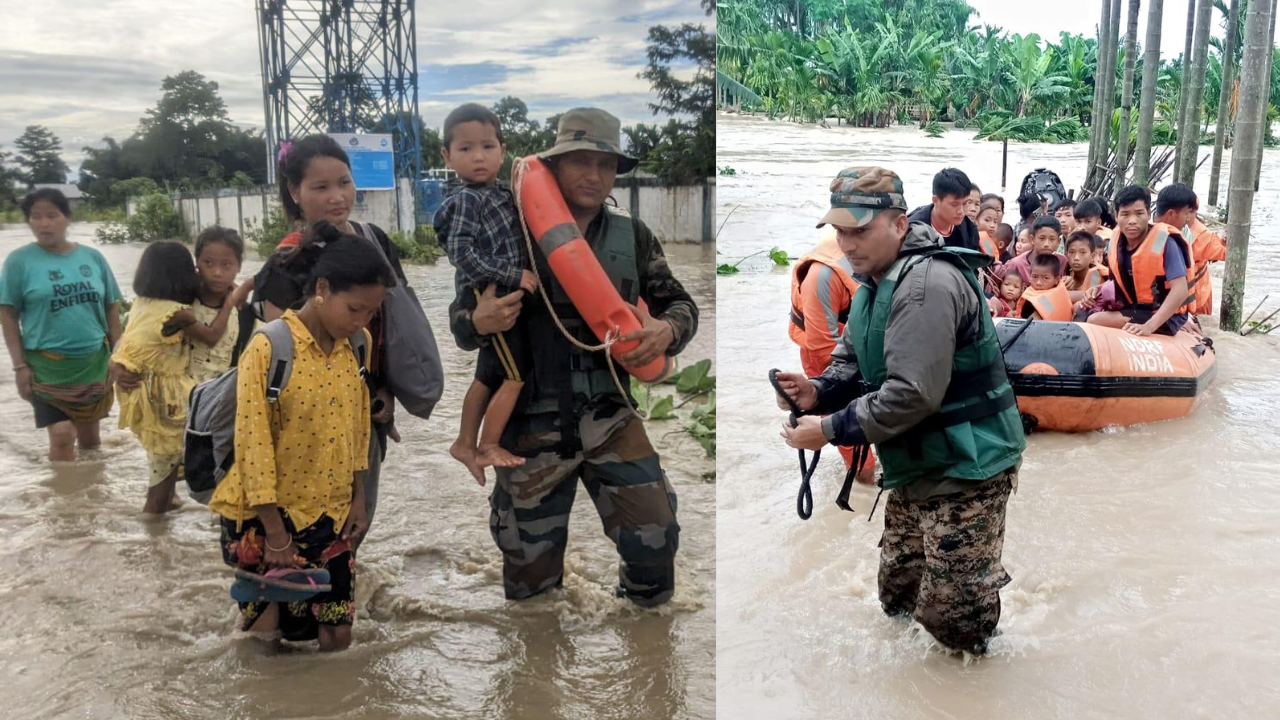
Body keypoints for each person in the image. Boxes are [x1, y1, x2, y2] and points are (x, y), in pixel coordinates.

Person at [448, 108, 696, 607]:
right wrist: (478, 321)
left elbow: (681, 304)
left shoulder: (633, 235)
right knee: (530, 584)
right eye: (580, 162)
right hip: (527, 423)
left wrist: (666, 330)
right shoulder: (507, 229)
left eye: (605, 165)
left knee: (655, 538)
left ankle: (646, 649)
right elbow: (460, 322)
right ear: (554, 165)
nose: (594, 175)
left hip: (610, 415)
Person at [774, 166, 1025, 655]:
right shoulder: (874, 278)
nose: (847, 244)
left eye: (860, 230)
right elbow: (850, 362)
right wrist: (816, 391)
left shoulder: (925, 285)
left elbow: (911, 394)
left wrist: (827, 429)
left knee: (955, 623)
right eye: (841, 232)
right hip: (916, 463)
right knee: (898, 595)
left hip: (967, 466)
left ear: (897, 224)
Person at [209, 225, 395, 652]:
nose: (361, 322)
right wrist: (274, 533)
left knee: (337, 633)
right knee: (265, 640)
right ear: (322, 289)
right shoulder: (269, 346)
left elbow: (357, 425)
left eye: (371, 313)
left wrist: (358, 497)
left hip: (331, 514)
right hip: (264, 517)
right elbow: (252, 444)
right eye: (354, 309)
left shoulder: (359, 345)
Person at [250, 134, 408, 537]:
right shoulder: (284, 267)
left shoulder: (375, 244)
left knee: (355, 525)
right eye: (321, 187)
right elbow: (278, 363)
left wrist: (385, 393)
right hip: (299, 430)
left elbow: (391, 329)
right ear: (294, 192)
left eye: (344, 182)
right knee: (300, 533)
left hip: (362, 415)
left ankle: (342, 596)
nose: (337, 197)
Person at [433, 103, 539, 484]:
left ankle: (464, 441)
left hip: (502, 295)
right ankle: (488, 443)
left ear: (502, 149)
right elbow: (462, 255)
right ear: (447, 155)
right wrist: (515, 274)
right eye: (465, 149)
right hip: (491, 295)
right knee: (514, 376)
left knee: (488, 374)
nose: (478, 156)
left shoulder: (502, 193)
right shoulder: (467, 199)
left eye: (487, 147)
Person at [1, 188, 122, 462]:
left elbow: (111, 305)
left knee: (91, 442)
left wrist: (119, 353)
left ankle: (89, 498)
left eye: (52, 216)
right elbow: (7, 315)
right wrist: (19, 366)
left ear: (67, 218)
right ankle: (62, 502)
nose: (43, 223)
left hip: (93, 364)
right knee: (63, 434)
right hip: (46, 368)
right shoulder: (18, 263)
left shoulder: (92, 258)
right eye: (36, 217)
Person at [112, 242, 202, 514]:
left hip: (145, 396)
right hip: (167, 401)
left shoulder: (142, 304)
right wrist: (235, 299)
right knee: (161, 481)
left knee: (163, 463)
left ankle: (168, 508)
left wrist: (113, 366)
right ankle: (153, 539)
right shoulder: (178, 313)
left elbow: (125, 344)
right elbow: (212, 335)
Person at [788, 231, 876, 484]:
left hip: (860, 351)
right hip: (826, 356)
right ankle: (862, 478)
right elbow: (823, 347)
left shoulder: (879, 260)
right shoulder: (821, 277)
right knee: (859, 456)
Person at [1085, 185, 1193, 337]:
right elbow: (1125, 281)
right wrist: (1098, 289)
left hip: (1164, 316)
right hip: (1137, 308)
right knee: (1083, 311)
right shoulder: (1116, 242)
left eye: (1139, 213)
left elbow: (1180, 290)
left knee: (1094, 320)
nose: (1132, 221)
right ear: (1116, 216)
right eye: (1125, 214)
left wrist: (1149, 326)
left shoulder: (1165, 242)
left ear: (1148, 213)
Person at [180, 227, 253, 383]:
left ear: (239, 266)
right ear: (197, 261)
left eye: (226, 265)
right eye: (209, 263)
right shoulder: (180, 301)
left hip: (219, 400)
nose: (217, 272)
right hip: (175, 399)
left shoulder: (245, 314)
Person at [1154, 184, 1225, 316]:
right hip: (1173, 305)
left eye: (1192, 212)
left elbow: (1226, 254)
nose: (1189, 217)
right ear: (1171, 213)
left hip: (1198, 297)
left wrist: (1227, 241)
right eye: (1188, 212)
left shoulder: (1201, 234)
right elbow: (1154, 262)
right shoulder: (1161, 234)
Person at [907, 168, 980, 251]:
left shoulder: (969, 230)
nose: (961, 211)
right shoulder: (913, 231)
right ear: (936, 201)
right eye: (954, 204)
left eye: (965, 203)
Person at [1000, 216, 1067, 286]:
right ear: (1032, 239)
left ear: (1059, 242)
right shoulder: (1016, 264)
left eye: (1052, 239)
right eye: (1042, 238)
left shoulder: (1062, 261)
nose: (1046, 244)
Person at [1017, 254, 1073, 321]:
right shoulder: (1058, 292)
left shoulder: (1044, 300)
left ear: (1057, 280)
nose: (1038, 283)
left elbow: (1047, 314)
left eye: (1046, 278)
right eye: (1034, 276)